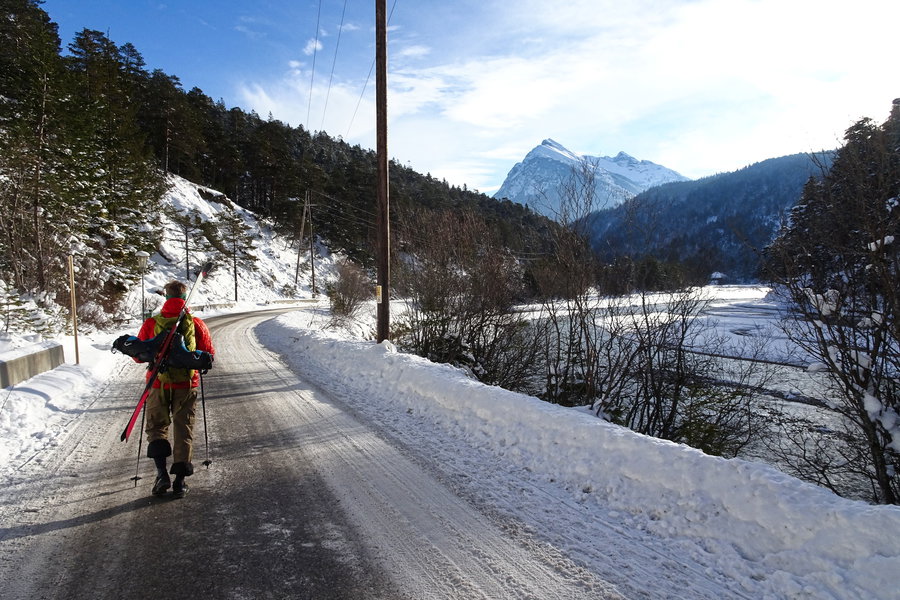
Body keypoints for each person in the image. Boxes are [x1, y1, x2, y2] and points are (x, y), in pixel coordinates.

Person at [137, 280, 215, 498]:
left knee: (157, 428)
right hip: (186, 385)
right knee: (184, 430)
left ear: (166, 297)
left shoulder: (152, 323)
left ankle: (162, 475)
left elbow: (138, 354)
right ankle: (180, 482)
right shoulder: (196, 323)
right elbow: (208, 353)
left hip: (157, 383)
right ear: (184, 296)